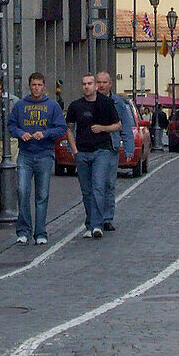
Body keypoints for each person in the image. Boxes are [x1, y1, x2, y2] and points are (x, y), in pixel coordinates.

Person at [8, 72, 66, 245]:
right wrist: (21, 133)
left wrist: (45, 134)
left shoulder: (52, 106)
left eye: (39, 85)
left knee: (42, 195)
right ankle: (24, 230)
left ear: (44, 87)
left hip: (44, 154)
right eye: (33, 85)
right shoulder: (20, 105)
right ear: (29, 86)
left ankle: (40, 232)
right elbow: (11, 125)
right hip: (25, 154)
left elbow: (61, 128)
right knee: (22, 191)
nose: (36, 88)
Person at [65, 73, 121, 238]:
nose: (87, 86)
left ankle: (96, 225)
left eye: (90, 83)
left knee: (98, 187)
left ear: (95, 85)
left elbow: (118, 125)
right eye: (84, 84)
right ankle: (91, 222)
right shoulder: (76, 106)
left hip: (101, 151)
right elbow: (69, 128)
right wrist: (74, 150)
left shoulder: (106, 104)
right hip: (82, 152)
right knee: (86, 190)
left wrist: (103, 128)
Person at [95, 71, 135, 232]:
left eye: (104, 82)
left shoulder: (118, 103)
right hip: (94, 147)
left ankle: (107, 218)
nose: (101, 85)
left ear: (110, 83)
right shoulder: (90, 101)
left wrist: (128, 148)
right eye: (99, 82)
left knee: (109, 184)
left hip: (111, 147)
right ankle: (94, 218)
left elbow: (125, 127)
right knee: (95, 185)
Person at [0, 76, 19, 200]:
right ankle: (0, 194)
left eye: (1, 89)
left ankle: (11, 192)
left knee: (12, 166)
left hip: (11, 139)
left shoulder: (14, 101)